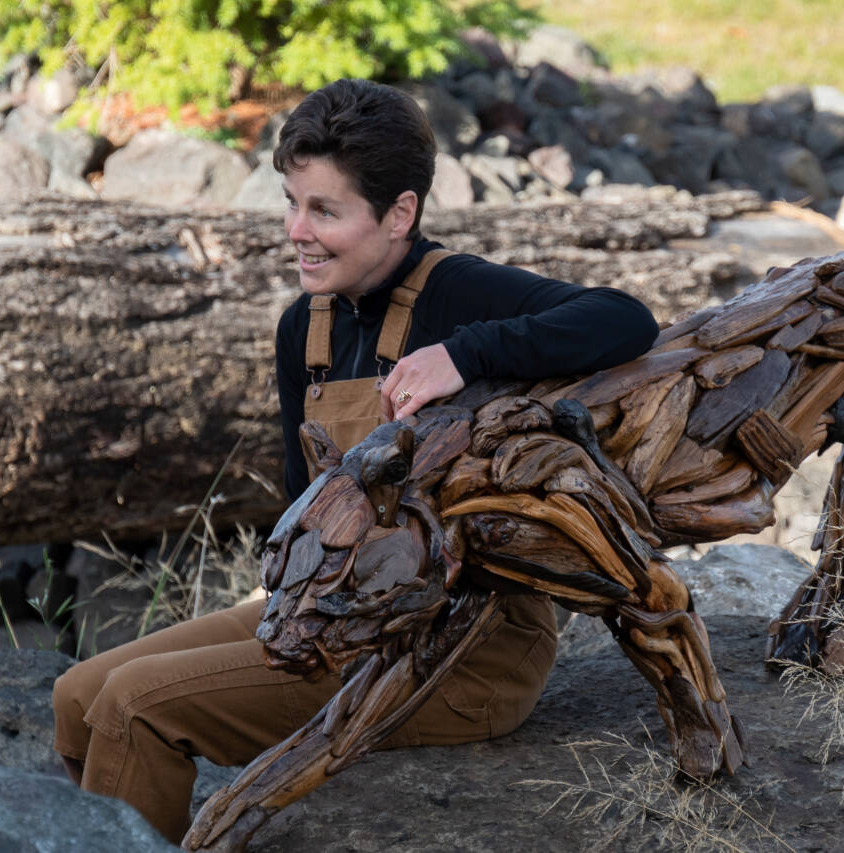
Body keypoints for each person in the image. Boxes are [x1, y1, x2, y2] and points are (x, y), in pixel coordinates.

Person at [51, 78, 659, 844]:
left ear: (399, 213)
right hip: (337, 614)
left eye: (325, 210)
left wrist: (465, 353)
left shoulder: (458, 295)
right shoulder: (302, 329)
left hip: (462, 649)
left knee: (134, 705)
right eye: (291, 201)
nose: (295, 230)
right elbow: (298, 503)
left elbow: (626, 317)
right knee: (77, 694)